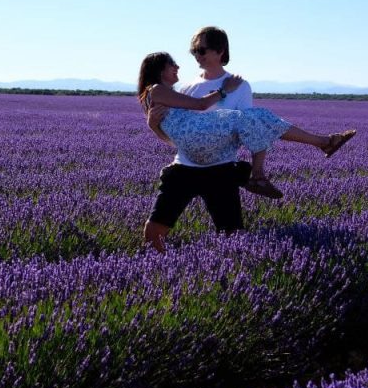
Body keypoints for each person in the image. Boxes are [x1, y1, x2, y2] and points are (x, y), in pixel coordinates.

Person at [138, 49, 356, 252]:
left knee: (256, 118)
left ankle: (314, 146)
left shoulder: (168, 94)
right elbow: (201, 105)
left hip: (199, 146)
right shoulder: (157, 90)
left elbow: (176, 138)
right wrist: (224, 90)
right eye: (172, 65)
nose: (177, 67)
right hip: (192, 149)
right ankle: (267, 170)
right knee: (255, 117)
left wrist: (154, 126)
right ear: (158, 70)